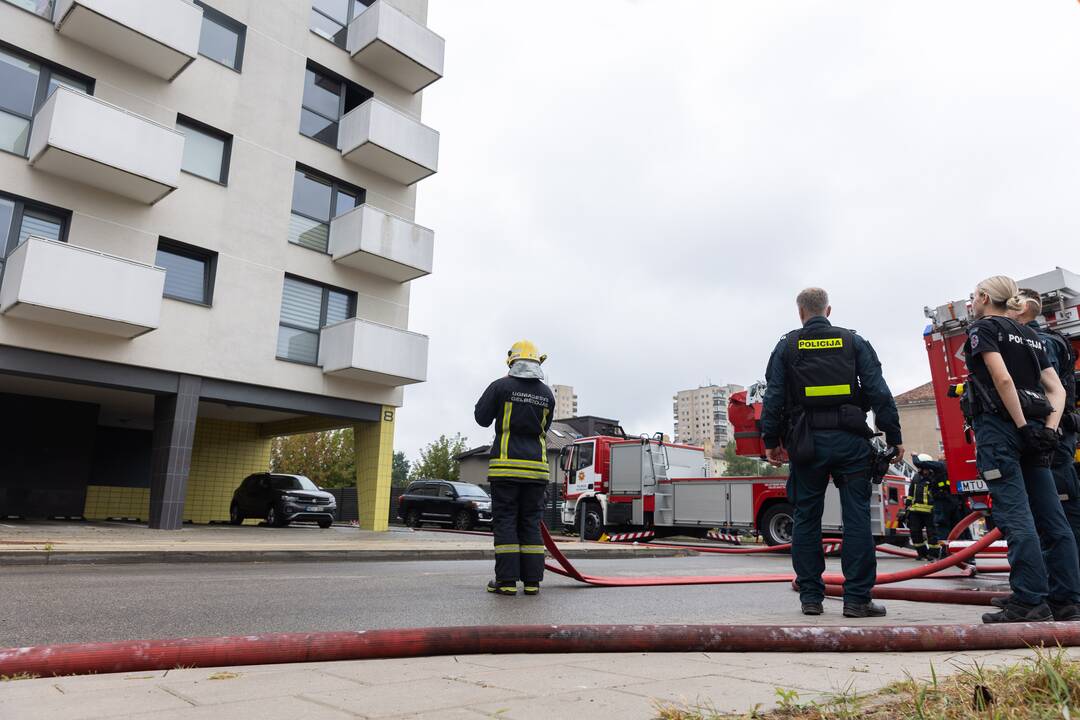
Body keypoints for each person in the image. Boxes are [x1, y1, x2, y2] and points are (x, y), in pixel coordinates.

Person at [761, 287, 903, 618]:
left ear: (800, 313)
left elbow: (774, 397)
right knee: (856, 518)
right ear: (828, 310)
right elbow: (878, 391)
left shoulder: (787, 345)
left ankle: (811, 597)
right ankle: (857, 600)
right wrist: (893, 436)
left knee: (806, 518)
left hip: (806, 443)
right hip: (851, 442)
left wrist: (771, 440)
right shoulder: (853, 342)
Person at [963, 276, 1080, 623]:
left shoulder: (984, 329)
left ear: (984, 297)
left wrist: (1020, 426)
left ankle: (1029, 600)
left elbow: (1002, 380)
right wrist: (1047, 430)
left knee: (1017, 516)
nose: (972, 303)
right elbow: (1056, 389)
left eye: (974, 297)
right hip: (1039, 434)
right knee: (1053, 518)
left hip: (1003, 431)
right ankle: (1068, 600)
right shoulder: (1030, 334)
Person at [474, 340, 555, 597]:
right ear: (537, 363)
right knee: (531, 522)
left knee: (506, 522)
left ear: (512, 361)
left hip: (506, 469)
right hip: (537, 471)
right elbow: (547, 427)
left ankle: (506, 582)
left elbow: (481, 418)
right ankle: (532, 583)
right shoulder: (547, 394)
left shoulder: (500, 386)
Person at [1011, 288, 1080, 558]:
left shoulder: (1039, 342)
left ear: (1024, 308)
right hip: (1056, 437)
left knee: (1059, 516)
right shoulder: (1047, 339)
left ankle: (1066, 588)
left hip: (1052, 439)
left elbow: (1042, 391)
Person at [904, 454, 945, 561]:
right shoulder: (916, 477)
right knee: (915, 533)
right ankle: (922, 553)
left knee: (932, 534)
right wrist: (908, 505)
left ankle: (933, 554)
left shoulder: (934, 477)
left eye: (927, 468)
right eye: (923, 468)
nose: (925, 470)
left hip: (931, 511)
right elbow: (911, 492)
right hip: (915, 511)